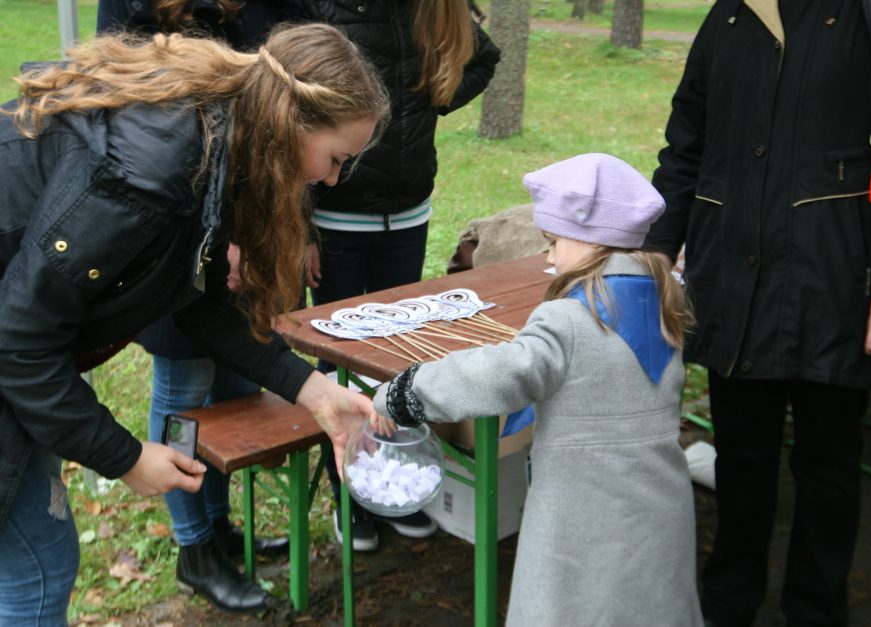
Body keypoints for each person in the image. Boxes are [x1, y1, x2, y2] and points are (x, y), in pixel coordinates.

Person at [0, 23, 388, 622]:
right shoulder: (147, 176)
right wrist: (125, 457)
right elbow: (19, 342)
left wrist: (311, 389)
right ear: (292, 122)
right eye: (335, 158)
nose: (332, 179)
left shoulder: (219, 139)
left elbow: (200, 299)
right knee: (38, 565)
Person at [643, 2, 871, 626]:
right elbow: (686, 141)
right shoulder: (731, 13)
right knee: (741, 455)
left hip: (837, 279)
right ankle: (729, 601)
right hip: (733, 279)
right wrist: (656, 252)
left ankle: (817, 609)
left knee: (827, 464)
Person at [371, 153, 703, 627]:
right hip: (658, 512)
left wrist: (406, 391)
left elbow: (498, 372)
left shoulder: (568, 318)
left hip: (581, 520)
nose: (548, 256)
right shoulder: (663, 299)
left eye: (553, 241)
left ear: (591, 240)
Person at [300, 0, 502, 552]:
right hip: (335, 219)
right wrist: (301, 226)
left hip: (408, 213)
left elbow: (483, 57)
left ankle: (393, 483)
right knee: (340, 360)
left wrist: (430, 100)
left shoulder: (430, 8)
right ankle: (352, 497)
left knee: (398, 352)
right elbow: (288, 111)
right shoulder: (324, 7)